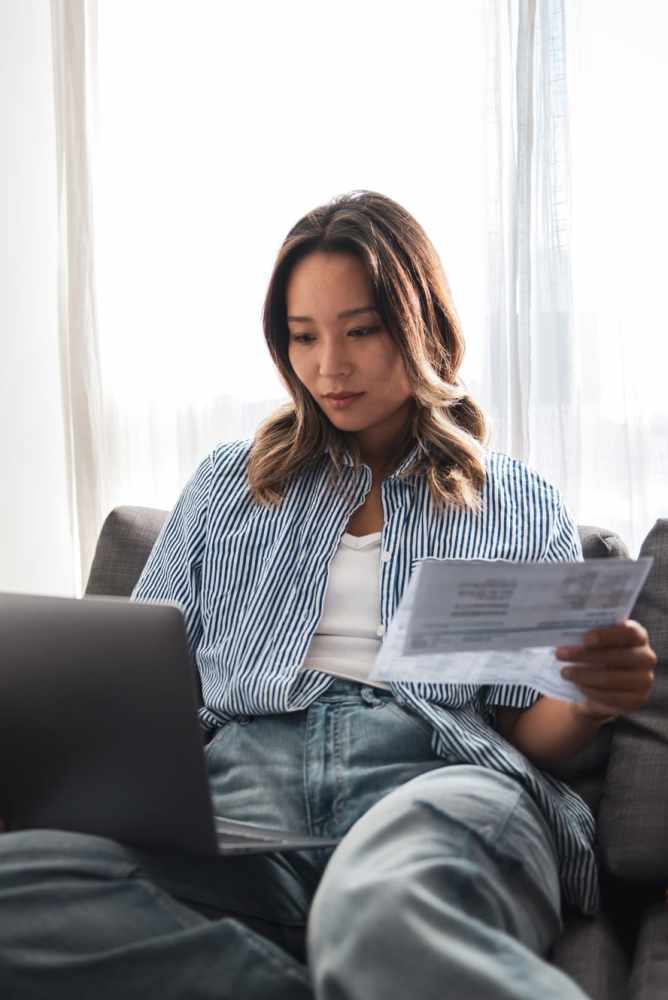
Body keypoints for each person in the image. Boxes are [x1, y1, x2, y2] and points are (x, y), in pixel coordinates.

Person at [0, 190, 657, 999]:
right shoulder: (225, 487)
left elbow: (529, 728)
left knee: (379, 916)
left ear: (420, 328)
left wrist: (590, 700)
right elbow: (137, 691)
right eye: (302, 338)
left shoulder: (516, 503)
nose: (328, 368)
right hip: (241, 797)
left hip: (435, 781)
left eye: (360, 332)